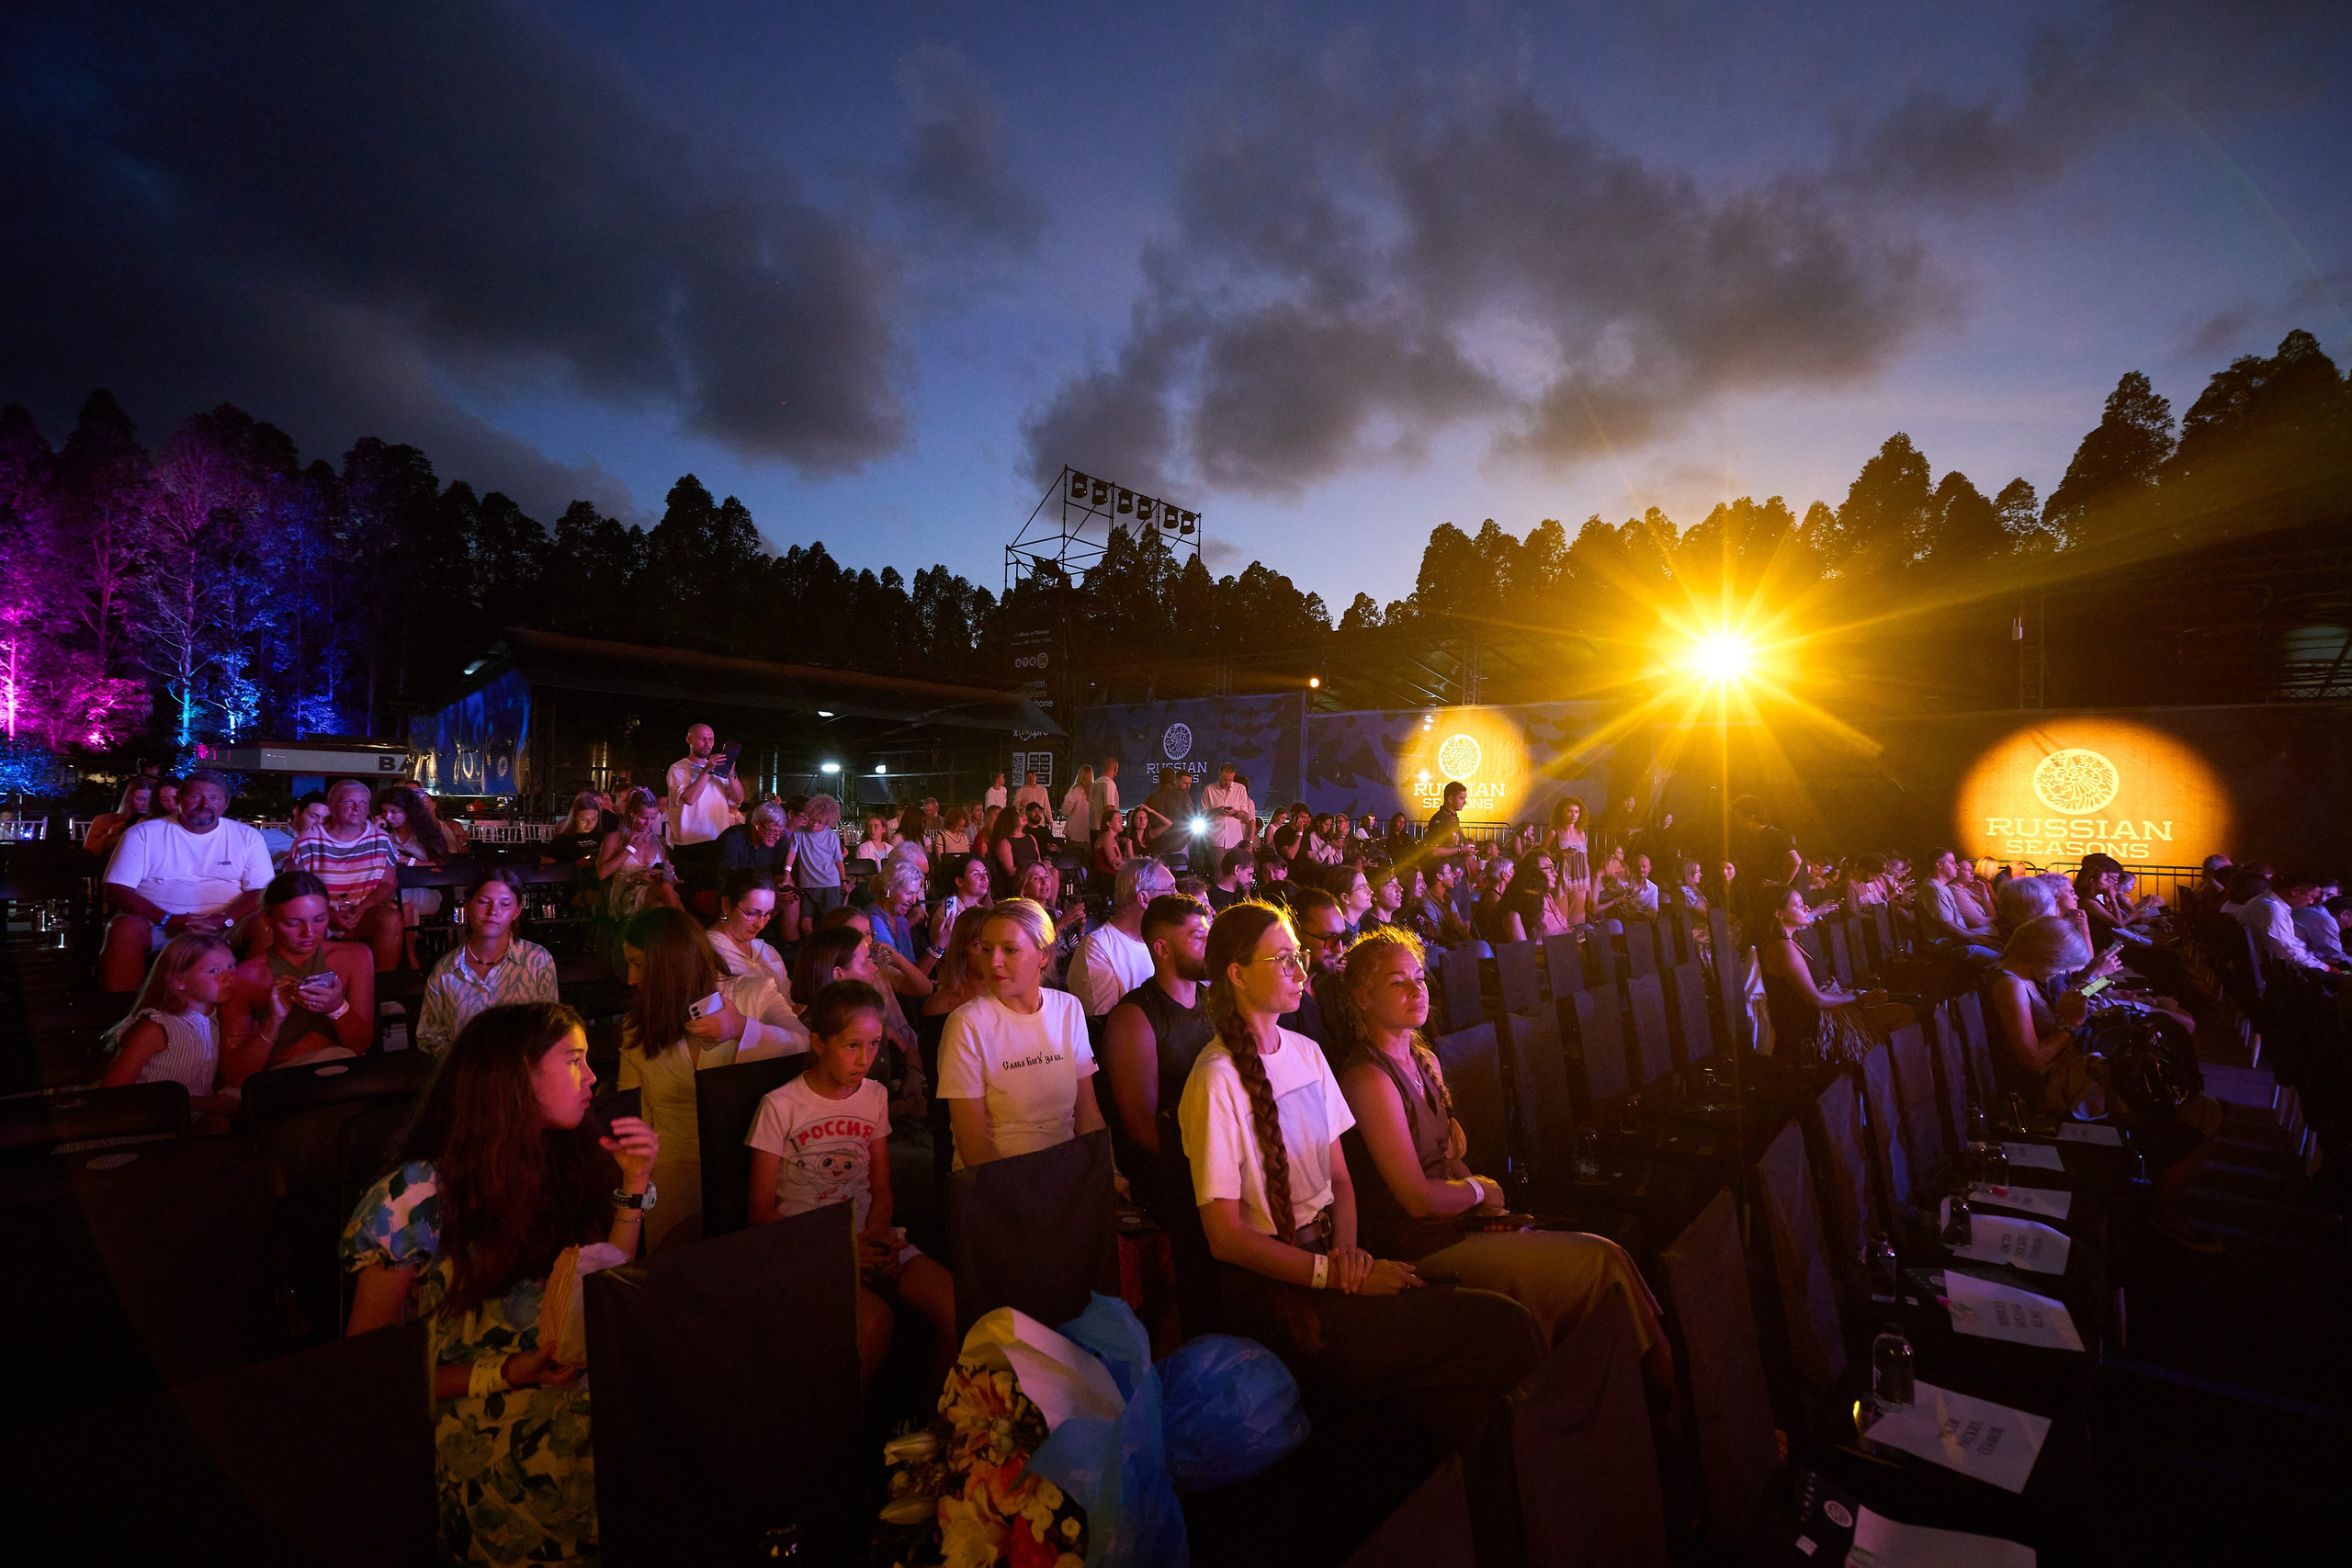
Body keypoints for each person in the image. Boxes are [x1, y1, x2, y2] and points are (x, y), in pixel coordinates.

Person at [1178, 901, 1544, 1567]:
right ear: (1236, 973)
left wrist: (1349, 1253)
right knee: (1502, 1331)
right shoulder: (1214, 1081)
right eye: (1283, 958)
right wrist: (1330, 1273)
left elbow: (1341, 1180)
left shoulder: (1309, 1052)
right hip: (1279, 1293)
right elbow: (1225, 1236)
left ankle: (1495, 1529)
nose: (1301, 967)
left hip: (1337, 1264)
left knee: (1472, 1375)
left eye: (1300, 954)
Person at [343, 1000, 659, 1562]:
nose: (592, 1077)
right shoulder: (417, 1194)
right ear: (515, 1075)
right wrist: (507, 1371)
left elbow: (603, 1283)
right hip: (488, 1412)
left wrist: (632, 1187)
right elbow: (370, 1375)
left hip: (578, 1385)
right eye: (574, 1061)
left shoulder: (570, 1155)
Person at [1336, 926, 1671, 1371]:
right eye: (1398, 983)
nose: (1416, 990)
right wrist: (1479, 1191)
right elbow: (1417, 1198)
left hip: (1457, 1223)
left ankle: (1650, 1390)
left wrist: (1485, 1206)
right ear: (1363, 997)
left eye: (1419, 978)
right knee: (1599, 1261)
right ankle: (1671, 1401)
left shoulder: (1424, 1060)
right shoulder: (1368, 1078)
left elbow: (1449, 1160)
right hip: (1418, 1244)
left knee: (1608, 1256)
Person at [748, 977, 956, 1387]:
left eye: (875, 1044)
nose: (865, 1059)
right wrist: (842, 1250)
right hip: (810, 1247)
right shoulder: (780, 1107)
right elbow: (759, 1213)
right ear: (819, 1043)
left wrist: (877, 1234)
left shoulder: (874, 1096)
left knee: (957, 1305)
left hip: (870, 1237)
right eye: (852, 1045)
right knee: (875, 1322)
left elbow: (881, 1187)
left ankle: (932, 1426)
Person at [1981, 916, 2222, 1250]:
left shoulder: (2026, 973)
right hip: (2057, 1086)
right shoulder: (2011, 982)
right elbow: (2036, 1055)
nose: (2072, 901)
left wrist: (2096, 982)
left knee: (2175, 1048)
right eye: (2065, 896)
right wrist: (2084, 996)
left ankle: (2159, 1174)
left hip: (2077, 1059)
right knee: (2194, 1103)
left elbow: (2072, 997)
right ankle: (2161, 1205)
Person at [617, 905, 808, 1248]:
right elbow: (634, 1113)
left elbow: (806, 1048)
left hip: (754, 1160)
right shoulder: (638, 1024)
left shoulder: (754, 993)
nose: (631, 979)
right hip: (675, 1164)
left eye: (640, 965)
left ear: (672, 962)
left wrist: (743, 1029)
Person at [936, 899, 1105, 1168]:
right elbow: (975, 1147)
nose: (994, 962)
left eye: (1010, 950)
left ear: (1043, 956)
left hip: (1066, 1170)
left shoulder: (1068, 1009)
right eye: (987, 949)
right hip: (1001, 1182)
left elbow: (1088, 1115)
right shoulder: (966, 1024)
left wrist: (1109, 1173)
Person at [97, 770, 276, 991]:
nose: (204, 804)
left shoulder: (247, 837)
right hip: (159, 926)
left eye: (214, 798)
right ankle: (122, 1012)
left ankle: (253, 1002)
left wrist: (226, 920)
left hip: (227, 926)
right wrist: (168, 919)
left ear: (226, 804)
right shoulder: (143, 834)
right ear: (179, 799)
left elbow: (261, 891)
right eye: (194, 796)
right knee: (123, 927)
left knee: (267, 924)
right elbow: (116, 890)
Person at [1100, 896, 1216, 1219]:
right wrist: (1216, 1159)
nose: (1209, 943)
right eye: (1198, 936)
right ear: (1163, 949)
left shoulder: (1214, 1002)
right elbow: (1141, 1128)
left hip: (1212, 1145)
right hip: (1167, 1163)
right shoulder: (1135, 1017)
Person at [218, 870, 376, 1072]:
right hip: (282, 1080)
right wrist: (272, 1025)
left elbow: (361, 1045)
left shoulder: (356, 957)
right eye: (293, 923)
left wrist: (337, 1008)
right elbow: (236, 1075)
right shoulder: (244, 977)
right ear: (267, 920)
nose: (308, 933)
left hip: (341, 1071)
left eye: (319, 920)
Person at [1756, 886, 1910, 1066]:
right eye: (1799, 905)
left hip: (1830, 1011)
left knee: (1900, 1011)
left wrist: (1859, 994)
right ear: (1779, 914)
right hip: (1817, 1025)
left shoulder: (1792, 941)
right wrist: (1858, 997)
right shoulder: (1781, 948)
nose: (1807, 908)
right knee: (1902, 1014)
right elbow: (1816, 999)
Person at [415, 867, 560, 1057]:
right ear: (468, 906)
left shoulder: (537, 960)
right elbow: (430, 1036)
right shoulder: (446, 969)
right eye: (484, 902)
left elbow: (549, 1029)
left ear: (516, 911)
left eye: (505, 904)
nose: (493, 912)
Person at [98, 933, 240, 1118]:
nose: (228, 977)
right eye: (213, 971)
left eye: (231, 966)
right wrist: (200, 1103)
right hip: (139, 1129)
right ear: (179, 981)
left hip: (184, 1126)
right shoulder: (156, 1028)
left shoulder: (217, 1021)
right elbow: (111, 1094)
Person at [284, 778, 407, 973]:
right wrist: (328, 914)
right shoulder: (307, 840)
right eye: (349, 802)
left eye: (363, 803)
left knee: (391, 919)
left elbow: (388, 883)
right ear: (332, 807)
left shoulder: (381, 839)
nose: (357, 808)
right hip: (318, 916)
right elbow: (291, 888)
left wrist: (363, 908)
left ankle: (384, 992)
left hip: (362, 913)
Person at [1068, 857, 1175, 1015]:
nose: (1178, 896)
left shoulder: (1164, 939)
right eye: (1171, 890)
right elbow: (1103, 1025)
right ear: (1144, 899)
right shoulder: (1098, 948)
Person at [380, 784, 453, 961]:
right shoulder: (384, 835)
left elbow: (440, 865)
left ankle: (408, 958)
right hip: (393, 892)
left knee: (400, 901)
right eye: (384, 812)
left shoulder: (426, 834)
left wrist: (408, 862)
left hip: (429, 892)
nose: (388, 817)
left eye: (394, 812)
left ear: (408, 812)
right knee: (402, 906)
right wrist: (374, 830)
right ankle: (410, 958)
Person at [665, 722, 743, 874]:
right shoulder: (678, 768)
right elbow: (689, 798)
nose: (708, 744)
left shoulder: (719, 768)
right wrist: (707, 771)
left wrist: (731, 775)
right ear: (689, 739)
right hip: (690, 844)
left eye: (711, 739)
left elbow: (738, 799)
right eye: (702, 739)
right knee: (690, 891)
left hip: (718, 839)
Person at [597, 785, 683, 919]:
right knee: (665, 890)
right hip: (626, 893)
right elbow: (602, 874)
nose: (649, 823)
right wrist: (630, 849)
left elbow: (668, 880)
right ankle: (689, 935)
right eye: (644, 818)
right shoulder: (615, 838)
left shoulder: (659, 841)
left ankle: (680, 935)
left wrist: (667, 873)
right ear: (632, 814)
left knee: (659, 906)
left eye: (653, 818)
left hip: (655, 891)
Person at [2238, 871, 2345, 974]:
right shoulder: (2272, 909)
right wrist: (2325, 968)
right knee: (2344, 975)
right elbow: (2287, 951)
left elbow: (2291, 945)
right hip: (2269, 972)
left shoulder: (2263, 901)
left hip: (2269, 966)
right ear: (2295, 891)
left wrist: (2316, 961)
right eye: (2311, 897)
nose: (2311, 902)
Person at [786, 792, 847, 936]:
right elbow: (792, 853)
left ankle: (827, 954)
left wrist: (843, 880)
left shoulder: (831, 836)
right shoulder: (799, 832)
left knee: (830, 925)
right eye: (812, 820)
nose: (814, 825)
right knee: (805, 926)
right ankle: (815, 953)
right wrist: (786, 872)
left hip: (829, 885)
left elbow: (838, 860)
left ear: (827, 822)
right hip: (807, 885)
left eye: (820, 822)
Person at [929, 852, 993, 956]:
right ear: (959, 882)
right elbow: (952, 956)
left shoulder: (984, 910)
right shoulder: (947, 913)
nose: (984, 878)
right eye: (976, 874)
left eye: (985, 873)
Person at [85, 776, 157, 859]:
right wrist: (108, 835)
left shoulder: (161, 822)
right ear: (130, 799)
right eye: (140, 799)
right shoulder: (105, 820)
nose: (145, 804)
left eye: (150, 800)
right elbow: (88, 852)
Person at [1420, 781, 1473, 877]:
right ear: (1450, 799)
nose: (1465, 802)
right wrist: (1461, 850)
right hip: (1446, 876)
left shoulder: (1454, 818)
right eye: (1461, 798)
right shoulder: (1439, 820)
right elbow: (1434, 851)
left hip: (1458, 875)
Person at [1202, 763, 1254, 856]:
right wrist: (1217, 811)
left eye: (1230, 780)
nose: (1228, 783)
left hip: (1235, 838)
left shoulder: (1240, 789)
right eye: (1225, 779)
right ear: (1219, 775)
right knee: (1219, 869)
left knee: (1234, 868)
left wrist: (1235, 812)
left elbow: (1246, 815)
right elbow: (1203, 814)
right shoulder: (1209, 789)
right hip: (1215, 838)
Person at [546, 791, 611, 865]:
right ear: (574, 817)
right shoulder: (561, 841)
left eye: (594, 819)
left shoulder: (603, 837)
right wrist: (574, 865)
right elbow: (545, 867)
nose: (589, 824)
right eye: (583, 819)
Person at [1059, 765, 1096, 853]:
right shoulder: (1095, 792)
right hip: (1090, 835)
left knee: (1073, 861)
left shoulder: (1076, 790)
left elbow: (1065, 811)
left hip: (1075, 835)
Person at [1208, 844, 1256, 911]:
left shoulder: (1241, 895)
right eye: (1249, 874)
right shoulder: (1212, 898)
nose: (1251, 880)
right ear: (1237, 869)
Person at [1091, 808, 1131, 884]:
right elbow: (1115, 863)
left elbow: (1120, 861)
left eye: (1122, 820)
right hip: (1106, 877)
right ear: (1109, 824)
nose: (1122, 822)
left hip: (1112, 875)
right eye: (1118, 820)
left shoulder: (1114, 839)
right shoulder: (1106, 838)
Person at [1088, 757, 1121, 830]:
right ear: (1115, 769)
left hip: (1092, 827)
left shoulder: (1094, 784)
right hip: (1105, 829)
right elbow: (1109, 808)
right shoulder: (1109, 783)